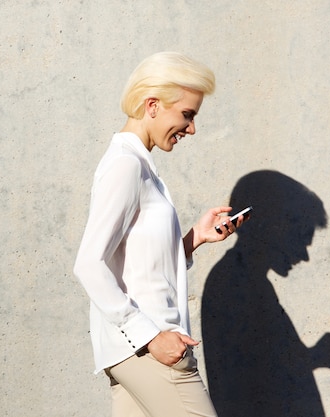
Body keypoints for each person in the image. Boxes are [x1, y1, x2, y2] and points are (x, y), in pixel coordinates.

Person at [73, 51, 248, 417]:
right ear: (152, 105)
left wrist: (192, 240)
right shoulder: (126, 165)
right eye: (187, 114)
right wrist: (151, 338)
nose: (192, 129)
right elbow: (89, 263)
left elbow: (135, 262)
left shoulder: (139, 166)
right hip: (152, 349)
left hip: (132, 352)